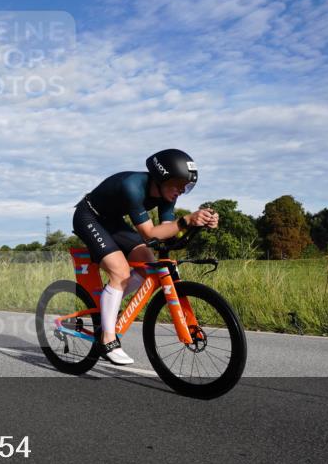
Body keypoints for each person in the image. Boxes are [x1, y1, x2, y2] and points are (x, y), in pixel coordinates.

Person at [72, 149, 219, 365]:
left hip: (112, 221)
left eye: (186, 186)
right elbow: (150, 233)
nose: (181, 190)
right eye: (178, 183)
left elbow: (167, 230)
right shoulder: (132, 186)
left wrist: (199, 223)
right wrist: (186, 220)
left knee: (148, 263)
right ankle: (107, 339)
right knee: (120, 272)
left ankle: (110, 302)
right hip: (88, 216)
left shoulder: (168, 194)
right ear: (161, 177)